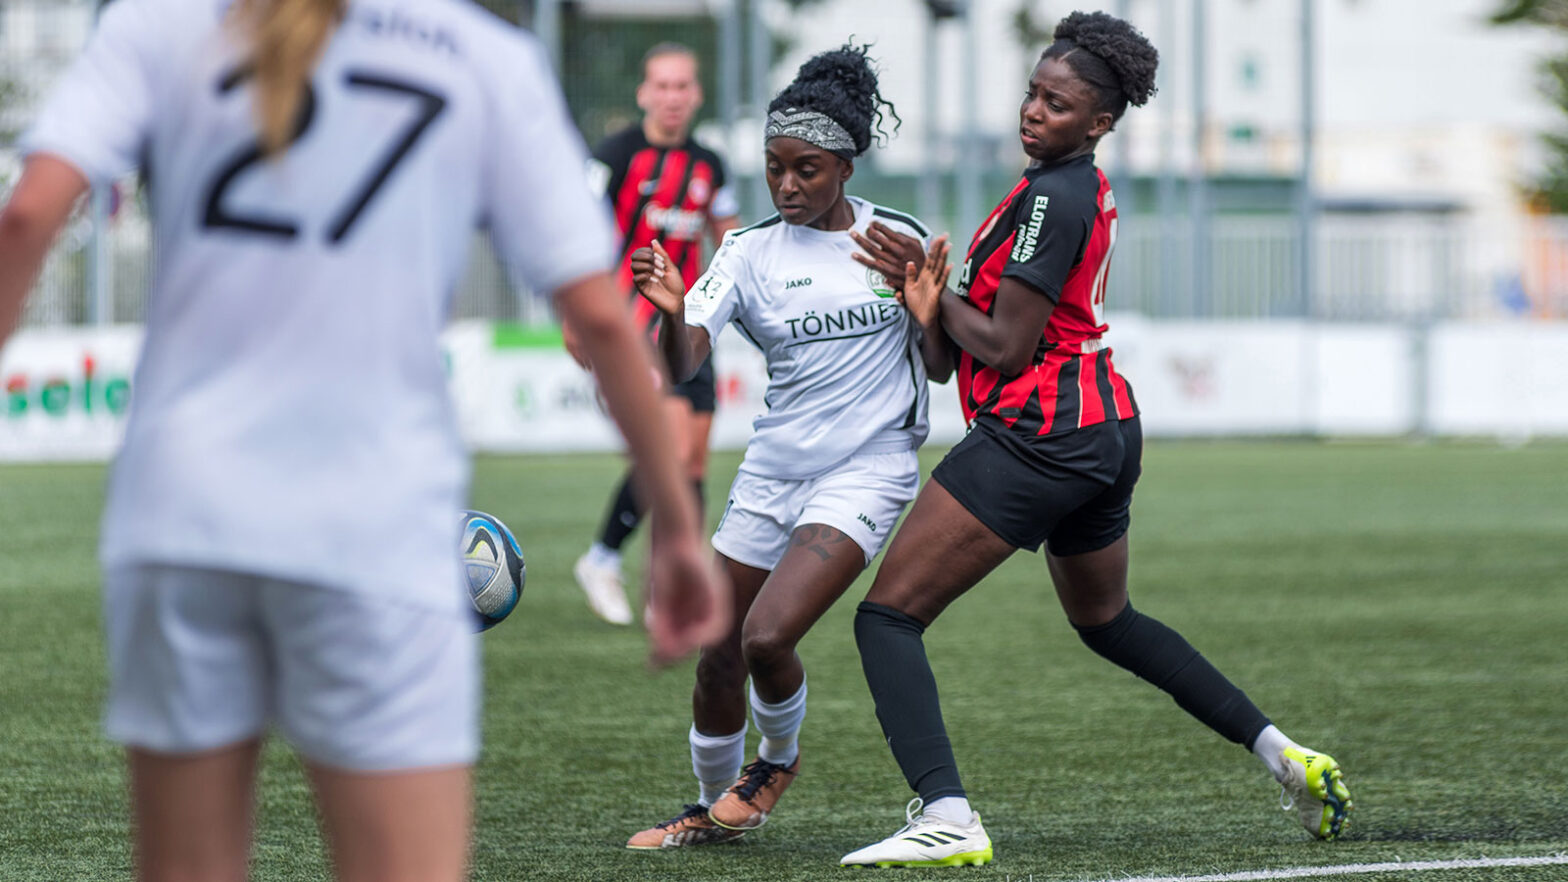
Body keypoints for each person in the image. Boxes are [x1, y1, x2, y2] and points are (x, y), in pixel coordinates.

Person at [0, 2, 728, 880]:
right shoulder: (481, 54)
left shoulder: (163, 20)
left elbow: (27, 217)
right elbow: (602, 320)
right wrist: (676, 532)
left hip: (181, 505)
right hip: (376, 516)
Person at [839, 11, 1353, 868]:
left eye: (1058, 103)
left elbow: (1005, 346)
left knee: (887, 617)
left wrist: (932, 292)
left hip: (1044, 433)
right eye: (1033, 93)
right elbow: (950, 356)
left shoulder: (1054, 196)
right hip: (1101, 429)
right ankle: (1283, 755)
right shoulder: (1063, 185)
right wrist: (924, 298)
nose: (1033, 110)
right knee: (1107, 621)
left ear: (1099, 122)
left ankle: (950, 816)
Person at [621, 45, 949, 851]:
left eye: (807, 169)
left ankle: (775, 762)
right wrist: (671, 312)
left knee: (766, 637)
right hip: (774, 471)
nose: (787, 185)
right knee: (718, 654)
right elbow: (682, 363)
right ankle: (710, 808)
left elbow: (940, 366)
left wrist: (928, 310)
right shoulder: (747, 251)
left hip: (867, 471)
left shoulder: (894, 239)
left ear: (845, 167)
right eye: (775, 168)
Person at [568, 42, 741, 626]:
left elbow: (731, 237)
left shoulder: (710, 164)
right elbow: (577, 231)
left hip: (691, 328)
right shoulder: (615, 155)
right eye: (662, 85)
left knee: (691, 463)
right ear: (644, 93)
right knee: (668, 449)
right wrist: (574, 316)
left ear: (697, 94)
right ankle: (607, 561)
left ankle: (659, 583)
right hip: (631, 329)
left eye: (682, 85)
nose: (672, 96)